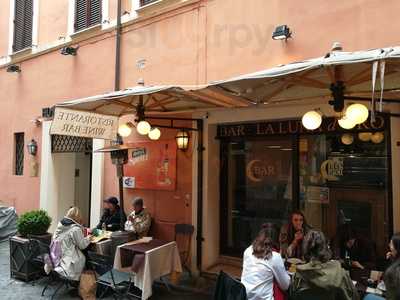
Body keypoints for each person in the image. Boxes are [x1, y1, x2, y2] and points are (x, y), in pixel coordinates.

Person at [290, 230, 359, 300]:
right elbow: (355, 297)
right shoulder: (340, 273)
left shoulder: (297, 276)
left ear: (305, 249)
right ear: (326, 248)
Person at [241, 224, 290, 300]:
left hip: (245, 297)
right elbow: (285, 285)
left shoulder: (248, 250)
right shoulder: (275, 257)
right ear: (276, 239)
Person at [50, 207, 91, 281]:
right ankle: (83, 283)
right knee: (86, 258)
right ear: (78, 217)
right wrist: (89, 238)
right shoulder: (75, 229)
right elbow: (82, 246)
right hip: (68, 263)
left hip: (55, 259)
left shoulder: (60, 225)